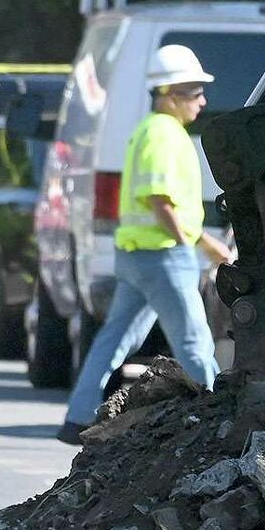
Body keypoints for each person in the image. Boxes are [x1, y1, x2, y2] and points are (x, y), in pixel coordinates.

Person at [59, 44, 232, 444]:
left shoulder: (151, 131)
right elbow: (159, 199)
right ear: (170, 95)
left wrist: (201, 242)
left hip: (139, 255)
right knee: (194, 339)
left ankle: (78, 417)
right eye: (194, 93)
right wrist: (194, 243)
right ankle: (216, 420)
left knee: (116, 338)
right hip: (163, 257)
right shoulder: (164, 135)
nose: (203, 101)